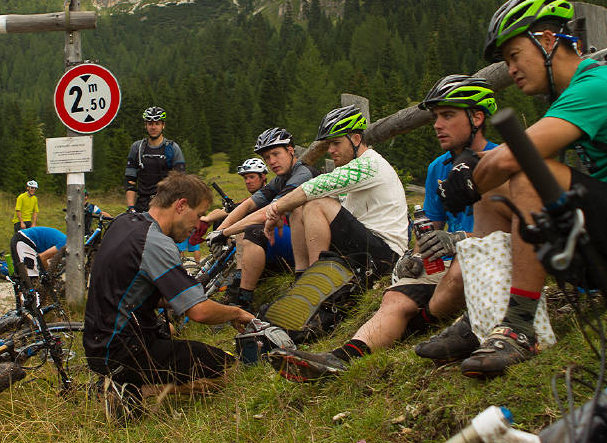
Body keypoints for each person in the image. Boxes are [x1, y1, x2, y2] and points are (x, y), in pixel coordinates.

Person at [435, 0, 607, 378]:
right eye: (506, 61)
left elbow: (511, 157)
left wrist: (470, 176)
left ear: (547, 40)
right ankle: (487, 310)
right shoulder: (572, 93)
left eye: (515, 55)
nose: (511, 69)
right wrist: (479, 178)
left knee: (527, 174)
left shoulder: (598, 86)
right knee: (495, 191)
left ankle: (520, 325)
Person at [271, 76, 499, 380]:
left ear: (477, 117)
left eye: (447, 115)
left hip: (483, 258)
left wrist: (460, 238)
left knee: (453, 278)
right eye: (435, 117)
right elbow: (430, 224)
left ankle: (425, 321)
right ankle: (339, 359)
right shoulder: (438, 167)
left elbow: (512, 230)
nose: (436, 125)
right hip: (442, 263)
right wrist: (414, 255)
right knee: (393, 299)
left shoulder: (500, 160)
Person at [84, 172, 254, 416]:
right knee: (225, 369)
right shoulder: (154, 242)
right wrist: (236, 312)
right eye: (198, 215)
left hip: (98, 340)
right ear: (181, 205)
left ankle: (122, 379)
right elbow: (199, 312)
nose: (198, 225)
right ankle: (134, 390)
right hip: (122, 349)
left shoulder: (123, 222)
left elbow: (133, 287)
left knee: (171, 331)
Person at [260, 106, 407, 279]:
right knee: (299, 206)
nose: (330, 150)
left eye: (336, 143)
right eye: (329, 144)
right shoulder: (353, 167)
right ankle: (301, 276)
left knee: (316, 204)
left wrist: (275, 209)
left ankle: (315, 278)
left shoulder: (369, 164)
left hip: (387, 255)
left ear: (356, 139)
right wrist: (285, 207)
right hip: (366, 246)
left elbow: (313, 187)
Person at [208, 129, 314, 307]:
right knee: (249, 230)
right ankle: (241, 297)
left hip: (311, 246)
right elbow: (248, 205)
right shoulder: (280, 179)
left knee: (251, 232)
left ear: (290, 150)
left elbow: (269, 211)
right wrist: (218, 231)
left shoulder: (303, 174)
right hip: (294, 242)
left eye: (276, 154)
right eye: (267, 157)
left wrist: (225, 233)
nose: (272, 161)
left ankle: (242, 300)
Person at [124, 106, 186, 212]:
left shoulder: (172, 148)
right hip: (142, 204)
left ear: (163, 125)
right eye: (150, 124)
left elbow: (180, 182)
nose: (153, 127)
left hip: (165, 204)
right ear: (145, 125)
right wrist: (131, 207)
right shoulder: (137, 148)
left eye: (157, 123)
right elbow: (130, 181)